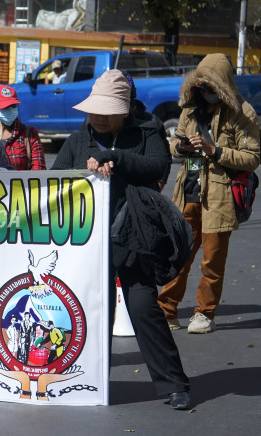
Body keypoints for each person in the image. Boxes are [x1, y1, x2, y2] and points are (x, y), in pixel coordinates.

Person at [51, 69, 191, 410]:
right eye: (94, 110)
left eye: (107, 111)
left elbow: (158, 167)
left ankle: (174, 384)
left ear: (125, 110)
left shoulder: (148, 132)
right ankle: (83, 382)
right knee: (86, 314)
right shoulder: (77, 140)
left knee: (143, 308)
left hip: (133, 238)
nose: (98, 117)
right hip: (85, 243)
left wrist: (116, 158)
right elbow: (52, 183)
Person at [157, 53, 260, 334]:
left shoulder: (243, 112)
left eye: (211, 88)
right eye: (201, 88)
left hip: (220, 196)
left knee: (211, 261)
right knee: (178, 256)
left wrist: (215, 150)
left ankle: (205, 313)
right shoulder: (189, 110)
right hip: (187, 191)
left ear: (223, 86)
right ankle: (167, 311)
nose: (205, 93)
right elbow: (173, 145)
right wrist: (183, 148)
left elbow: (252, 157)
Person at [0, 84, 46, 170]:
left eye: (13, 106)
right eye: (5, 107)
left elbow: (39, 172)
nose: (10, 110)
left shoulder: (30, 134)